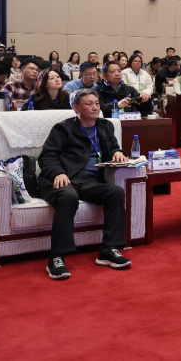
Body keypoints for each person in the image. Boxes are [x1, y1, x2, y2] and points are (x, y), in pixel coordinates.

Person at [38, 88, 132, 279]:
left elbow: (113, 147)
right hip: (63, 178)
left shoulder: (105, 126)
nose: (95, 107)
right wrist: (58, 173)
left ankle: (108, 249)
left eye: (97, 103)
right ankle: (56, 257)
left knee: (115, 192)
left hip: (89, 181)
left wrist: (117, 152)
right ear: (76, 108)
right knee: (68, 197)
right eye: (89, 104)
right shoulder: (63, 128)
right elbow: (47, 156)